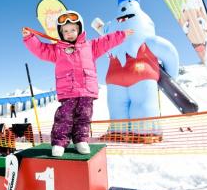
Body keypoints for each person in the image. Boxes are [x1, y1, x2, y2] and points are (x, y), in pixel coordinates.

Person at [22, 10, 133, 157]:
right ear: (61, 33)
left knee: (84, 117)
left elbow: (106, 41)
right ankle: (59, 143)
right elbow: (41, 50)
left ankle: (81, 140)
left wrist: (122, 34)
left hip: (87, 91)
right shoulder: (57, 50)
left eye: (73, 29)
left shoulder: (91, 46)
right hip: (68, 92)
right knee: (64, 118)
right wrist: (29, 38)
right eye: (66, 31)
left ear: (79, 29)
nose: (69, 33)